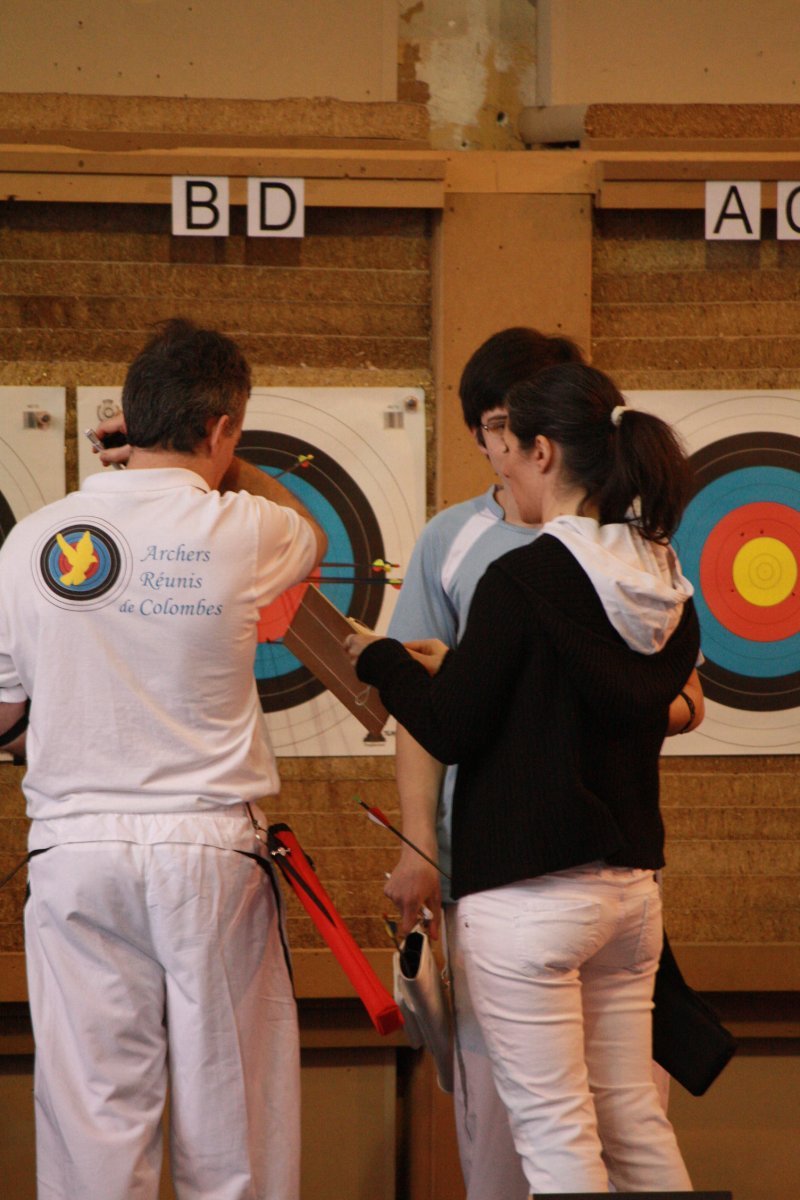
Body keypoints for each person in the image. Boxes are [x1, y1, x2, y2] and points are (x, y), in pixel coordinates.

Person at [346, 361, 699, 1194]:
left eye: (508, 450)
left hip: (530, 896)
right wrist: (463, 666)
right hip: (629, 894)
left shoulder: (523, 576)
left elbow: (449, 727)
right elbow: (578, 695)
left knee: (555, 1132)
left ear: (544, 452)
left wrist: (383, 660)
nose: (501, 467)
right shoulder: (663, 582)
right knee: (633, 1122)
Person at [0, 319, 327, 1200]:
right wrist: (229, 465)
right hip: (208, 853)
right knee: (233, 1127)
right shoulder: (247, 526)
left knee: (95, 1128)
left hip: (73, 849)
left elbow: (4, 716)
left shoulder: (31, 541)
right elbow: (309, 531)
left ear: (130, 417)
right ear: (222, 428)